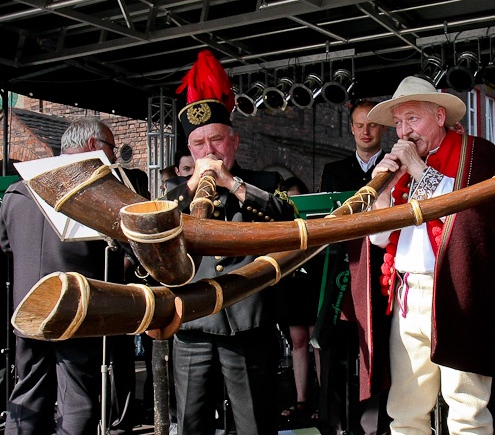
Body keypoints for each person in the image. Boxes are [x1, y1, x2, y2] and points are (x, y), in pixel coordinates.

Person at [358, 76, 495, 434]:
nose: (404, 131)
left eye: (413, 118)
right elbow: (378, 240)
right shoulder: (399, 167)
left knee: (467, 409)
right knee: (405, 410)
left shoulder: (478, 155)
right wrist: (383, 192)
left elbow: (470, 218)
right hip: (407, 294)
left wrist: (419, 171)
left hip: (458, 292)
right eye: (399, 122)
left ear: (440, 116)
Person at [166, 55, 295, 435]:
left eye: (217, 140)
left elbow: (285, 218)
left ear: (234, 142)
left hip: (248, 322)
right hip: (192, 322)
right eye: (199, 143)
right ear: (189, 150)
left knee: (255, 424)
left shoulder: (262, 182)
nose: (209, 151)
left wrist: (231, 184)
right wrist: (192, 187)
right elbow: (155, 232)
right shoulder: (175, 194)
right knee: (191, 424)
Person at [0, 117, 136, 435]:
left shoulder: (18, 190)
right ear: (92, 145)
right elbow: (128, 247)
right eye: (111, 148)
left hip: (28, 309)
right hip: (76, 309)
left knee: (28, 395)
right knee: (78, 401)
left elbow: (6, 246)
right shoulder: (95, 192)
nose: (113, 157)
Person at [318, 99, 390, 435]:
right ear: (350, 128)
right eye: (359, 125)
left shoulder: (394, 167)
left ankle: (380, 425)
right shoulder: (334, 170)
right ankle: (338, 425)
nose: (366, 131)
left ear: (382, 128)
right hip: (343, 274)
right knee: (338, 351)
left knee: (381, 351)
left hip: (382, 273)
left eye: (372, 125)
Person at [277, 176, 324, 426]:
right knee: (298, 340)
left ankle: (323, 400)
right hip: (293, 283)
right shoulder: (280, 220)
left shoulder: (315, 218)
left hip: (314, 280)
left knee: (317, 339)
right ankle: (301, 399)